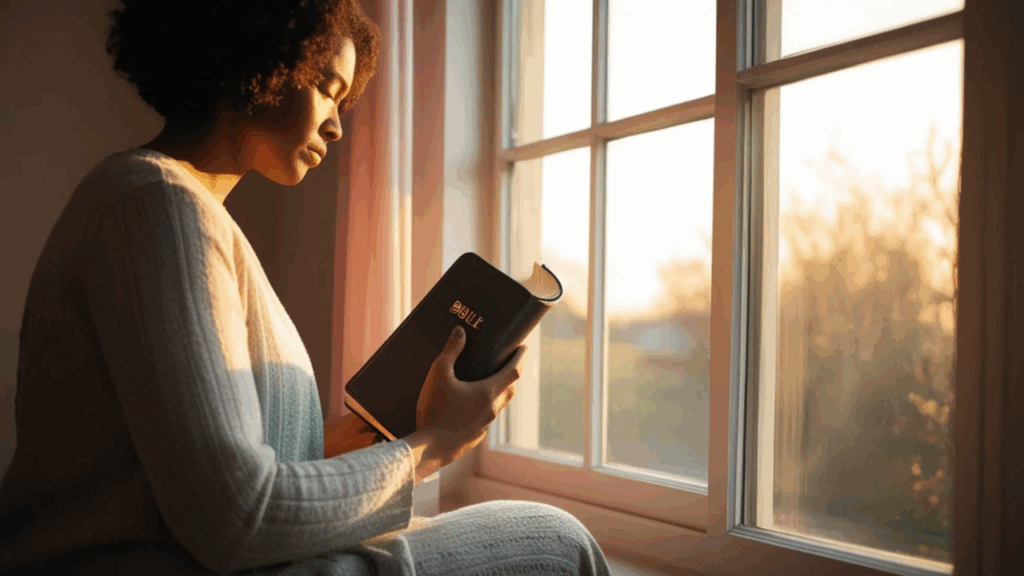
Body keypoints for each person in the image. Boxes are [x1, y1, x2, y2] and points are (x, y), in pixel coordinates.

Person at [0, 1, 612, 575]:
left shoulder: (180, 215)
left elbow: (194, 468)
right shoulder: (157, 207)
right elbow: (236, 518)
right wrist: (433, 446)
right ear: (259, 58)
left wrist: (358, 438)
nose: (339, 127)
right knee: (556, 540)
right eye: (328, 88)